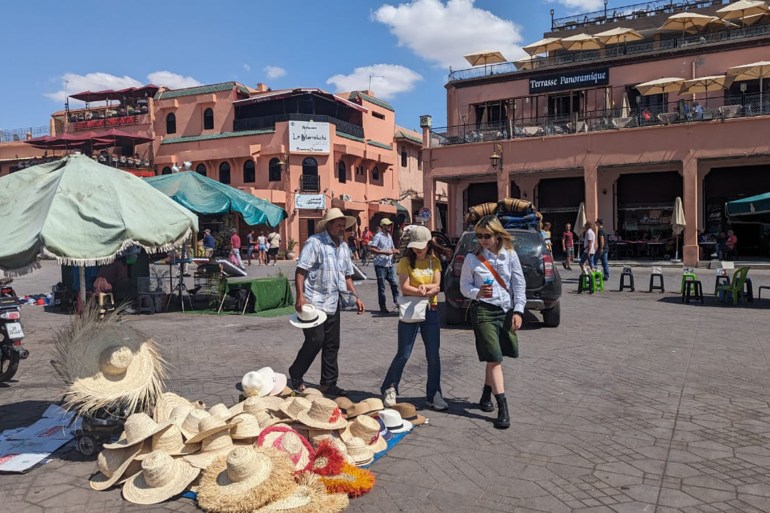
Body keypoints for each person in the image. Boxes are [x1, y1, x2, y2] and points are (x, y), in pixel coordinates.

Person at [289, 208, 365, 397]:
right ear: (329, 225)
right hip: (313, 302)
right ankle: (296, 374)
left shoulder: (344, 248)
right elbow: (301, 271)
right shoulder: (315, 243)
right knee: (315, 340)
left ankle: (328, 384)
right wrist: (300, 296)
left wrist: (356, 297)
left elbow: (347, 276)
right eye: (338, 225)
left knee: (332, 344)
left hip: (333, 302)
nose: (341, 228)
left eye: (343, 225)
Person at [459, 216, 526, 430]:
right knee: (495, 358)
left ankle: (486, 394)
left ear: (497, 235)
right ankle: (503, 407)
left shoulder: (510, 255)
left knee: (494, 357)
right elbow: (463, 286)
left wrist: (518, 311)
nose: (483, 240)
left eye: (487, 236)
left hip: (505, 311)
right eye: (479, 236)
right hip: (483, 312)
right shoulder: (472, 258)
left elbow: (519, 284)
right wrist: (476, 292)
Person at [381, 226, 450, 411]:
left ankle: (434, 393)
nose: (418, 250)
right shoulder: (404, 261)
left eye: (421, 246)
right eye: (415, 246)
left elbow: (437, 286)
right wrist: (424, 290)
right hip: (411, 310)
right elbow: (404, 287)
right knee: (403, 353)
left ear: (429, 244)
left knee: (433, 355)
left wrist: (423, 289)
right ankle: (389, 387)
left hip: (431, 310)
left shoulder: (434, 261)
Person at [369, 218, 400, 313]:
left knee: (395, 285)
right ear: (382, 226)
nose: (389, 227)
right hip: (380, 265)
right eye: (387, 225)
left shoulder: (389, 236)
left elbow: (392, 248)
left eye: (390, 225)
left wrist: (396, 251)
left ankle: (398, 304)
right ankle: (382, 306)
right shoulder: (378, 236)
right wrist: (383, 252)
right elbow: (372, 249)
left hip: (389, 264)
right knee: (381, 287)